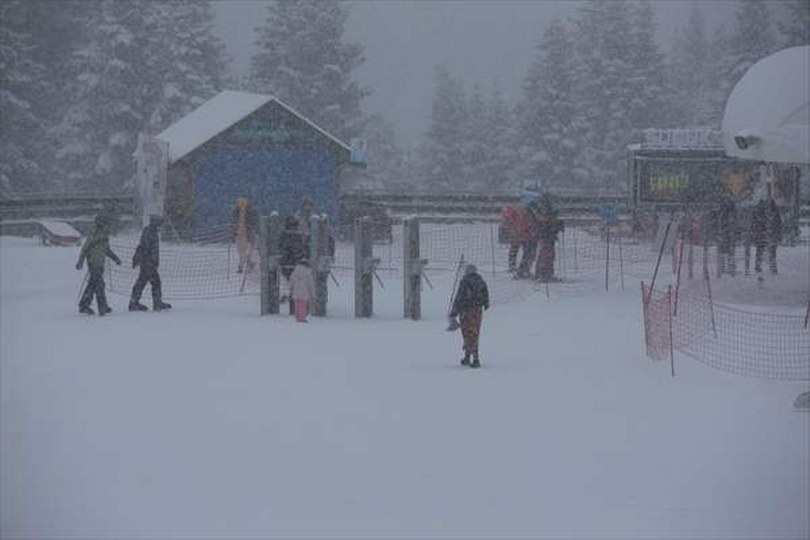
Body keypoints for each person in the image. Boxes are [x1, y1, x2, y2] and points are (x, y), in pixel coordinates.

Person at [76, 214, 121, 315]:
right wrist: (80, 261)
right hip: (93, 263)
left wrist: (115, 258)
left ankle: (84, 305)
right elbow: (85, 248)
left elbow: (106, 250)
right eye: (102, 222)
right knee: (99, 285)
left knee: (92, 285)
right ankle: (102, 306)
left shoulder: (104, 234)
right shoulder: (94, 233)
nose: (104, 224)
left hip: (100, 264)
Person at [449, 264, 490, 368]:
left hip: (466, 311)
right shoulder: (481, 281)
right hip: (477, 311)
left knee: (467, 333)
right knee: (475, 333)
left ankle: (470, 357)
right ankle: (473, 357)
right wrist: (485, 305)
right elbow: (486, 296)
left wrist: (454, 312)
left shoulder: (464, 282)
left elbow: (459, 297)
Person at [129, 215, 172, 312]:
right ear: (155, 223)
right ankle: (154, 303)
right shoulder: (149, 233)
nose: (160, 226)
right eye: (159, 224)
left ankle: (135, 302)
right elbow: (143, 247)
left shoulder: (151, 232)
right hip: (148, 263)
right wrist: (144, 260)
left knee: (144, 282)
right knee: (153, 282)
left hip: (149, 263)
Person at [279, 215, 309, 314]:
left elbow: (282, 249)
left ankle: (296, 309)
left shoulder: (283, 235)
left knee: (294, 288)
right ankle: (300, 310)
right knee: (300, 289)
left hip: (287, 265)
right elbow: (298, 251)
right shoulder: (296, 236)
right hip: (296, 265)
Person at [532, 193, 564, 282]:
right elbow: (544, 221)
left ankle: (547, 274)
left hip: (549, 235)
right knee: (545, 255)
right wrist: (554, 223)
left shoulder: (544, 209)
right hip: (546, 235)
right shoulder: (542, 210)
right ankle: (542, 274)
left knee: (549, 255)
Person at [501, 203, 535, 277]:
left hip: (524, 235)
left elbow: (525, 225)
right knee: (524, 252)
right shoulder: (516, 215)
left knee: (524, 252)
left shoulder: (521, 214)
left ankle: (519, 267)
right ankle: (520, 268)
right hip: (521, 235)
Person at [750, 197, 782, 275]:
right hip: (768, 233)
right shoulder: (774, 210)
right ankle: (772, 267)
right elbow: (778, 224)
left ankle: (759, 267)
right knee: (771, 251)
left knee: (761, 251)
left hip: (762, 234)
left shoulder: (759, 210)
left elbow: (754, 224)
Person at [233, 197, 259, 273]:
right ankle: (248, 264)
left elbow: (253, 223)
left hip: (246, 235)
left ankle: (243, 266)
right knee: (242, 251)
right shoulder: (237, 212)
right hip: (240, 234)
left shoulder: (250, 212)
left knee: (244, 251)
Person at [715, 196, 737, 277]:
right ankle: (730, 270)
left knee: (722, 253)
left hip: (724, 234)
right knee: (730, 253)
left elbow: (719, 222)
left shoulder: (722, 213)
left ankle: (722, 270)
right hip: (728, 234)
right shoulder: (731, 213)